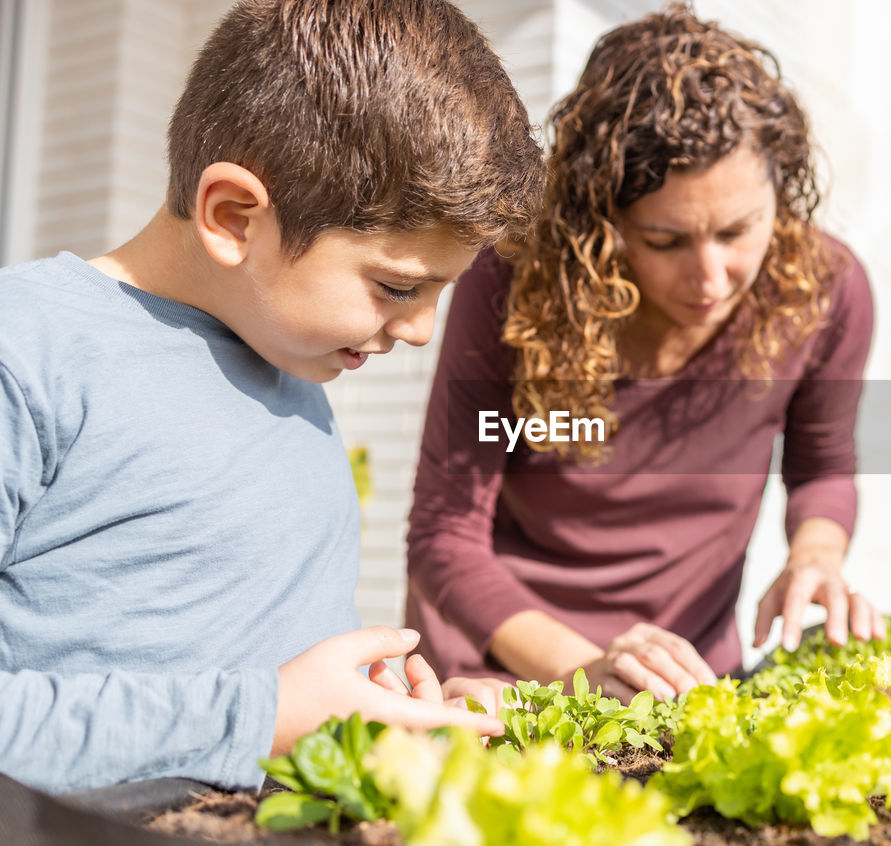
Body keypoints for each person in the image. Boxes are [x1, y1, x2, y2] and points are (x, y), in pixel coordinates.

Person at [0, 0, 544, 793]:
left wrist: (382, 715)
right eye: (397, 284)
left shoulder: (292, 366)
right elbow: (261, 707)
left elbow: (270, 676)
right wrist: (261, 716)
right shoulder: (30, 348)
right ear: (232, 216)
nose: (423, 330)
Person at [405, 4, 884, 703]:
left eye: (739, 230)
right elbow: (445, 534)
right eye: (666, 241)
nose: (712, 277)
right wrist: (586, 670)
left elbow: (823, 465)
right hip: (505, 672)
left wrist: (816, 555)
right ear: (602, 222)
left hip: (685, 684)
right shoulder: (514, 279)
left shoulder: (827, 292)